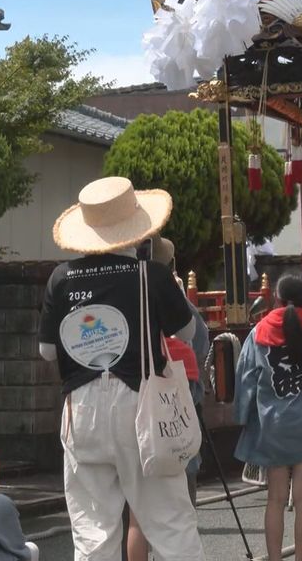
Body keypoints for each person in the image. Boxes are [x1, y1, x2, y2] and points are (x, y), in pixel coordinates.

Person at [38, 176, 201, 560]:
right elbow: (188, 331)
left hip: (81, 410)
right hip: (141, 404)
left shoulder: (61, 277)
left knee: (93, 528)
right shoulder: (151, 275)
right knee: (169, 520)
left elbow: (47, 351)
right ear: (136, 229)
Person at [235, 209, 302, 561]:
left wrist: (243, 419)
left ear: (276, 300)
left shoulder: (257, 334)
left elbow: (245, 383)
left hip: (273, 429)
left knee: (275, 499)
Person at [126, 236, 210, 561]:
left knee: (137, 517)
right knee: (179, 516)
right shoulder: (171, 296)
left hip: (136, 410)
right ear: (171, 265)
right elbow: (198, 341)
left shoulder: (127, 290)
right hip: (174, 407)